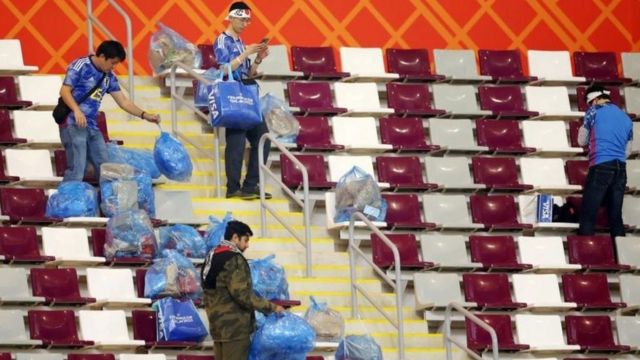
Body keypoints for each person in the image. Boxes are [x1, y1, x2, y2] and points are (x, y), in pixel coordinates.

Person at [59, 40, 160, 182]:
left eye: (116, 64)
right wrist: (76, 110)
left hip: (92, 126)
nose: (113, 66)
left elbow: (123, 102)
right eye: (112, 62)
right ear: (102, 56)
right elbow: (64, 91)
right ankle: (68, 202)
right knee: (77, 168)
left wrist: (145, 115)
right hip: (72, 123)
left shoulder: (109, 77)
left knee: (105, 168)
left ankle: (109, 202)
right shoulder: (80, 65)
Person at [201, 220, 284, 360]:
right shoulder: (234, 258)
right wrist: (272, 307)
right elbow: (242, 295)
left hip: (217, 327)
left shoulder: (212, 255)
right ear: (235, 238)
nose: (247, 245)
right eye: (245, 240)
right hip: (235, 330)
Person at [214, 1, 272, 200]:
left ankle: (250, 185)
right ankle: (233, 188)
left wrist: (257, 59)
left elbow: (248, 72)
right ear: (230, 17)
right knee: (236, 143)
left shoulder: (240, 43)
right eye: (242, 19)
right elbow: (223, 69)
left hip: (247, 93)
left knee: (264, 139)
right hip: (232, 94)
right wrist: (246, 53)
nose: (245, 23)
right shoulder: (223, 40)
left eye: (248, 20)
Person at [577, 84, 633, 240]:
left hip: (601, 165)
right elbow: (627, 151)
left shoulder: (593, 111)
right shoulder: (625, 117)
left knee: (588, 213)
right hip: (621, 168)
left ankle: (587, 256)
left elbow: (582, 140)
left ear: (594, 100)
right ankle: (621, 258)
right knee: (615, 217)